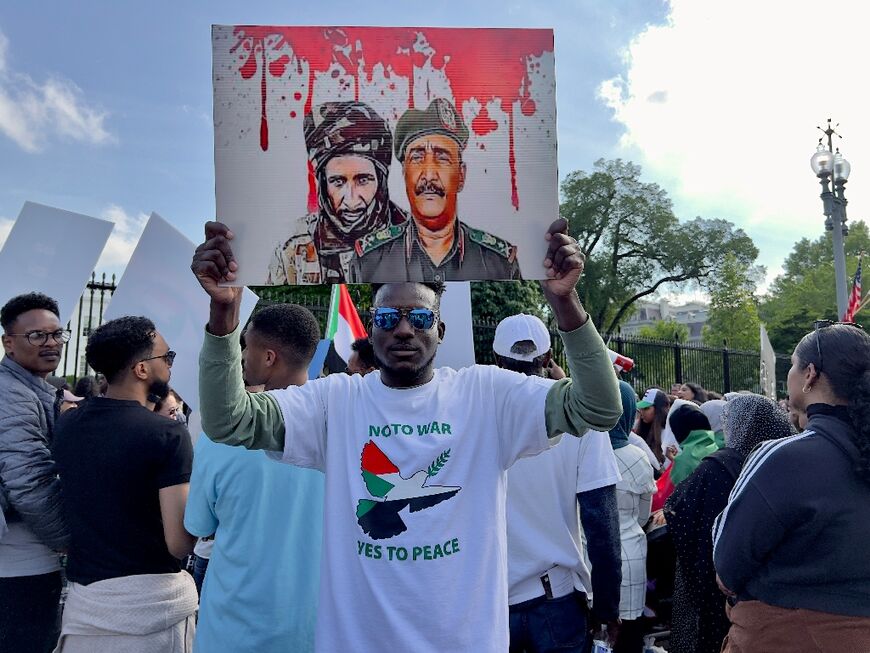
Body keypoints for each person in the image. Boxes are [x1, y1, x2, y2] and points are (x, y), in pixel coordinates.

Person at [191, 217, 622, 651]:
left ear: (440, 329)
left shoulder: (487, 395)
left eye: (419, 316)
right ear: (371, 328)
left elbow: (599, 408)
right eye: (386, 317)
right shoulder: (334, 403)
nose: (402, 329)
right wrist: (224, 314)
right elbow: (229, 420)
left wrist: (566, 304)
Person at [714, 323, 870, 650]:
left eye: (792, 365)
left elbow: (726, 566)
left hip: (783, 638)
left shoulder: (783, 458)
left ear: (810, 374)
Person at [52, 316, 197, 652]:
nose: (171, 367)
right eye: (167, 358)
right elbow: (179, 543)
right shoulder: (167, 434)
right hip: (151, 608)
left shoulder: (68, 424)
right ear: (142, 369)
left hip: (86, 607)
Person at [185, 304, 325, 652]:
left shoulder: (219, 438)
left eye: (245, 346)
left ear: (268, 357)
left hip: (233, 630)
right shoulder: (339, 424)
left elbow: (199, 524)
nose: (242, 356)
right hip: (317, 629)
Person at [496, 314, 622, 652]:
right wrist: (607, 607)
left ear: (495, 358)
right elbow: (602, 522)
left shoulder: (477, 409)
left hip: (489, 602)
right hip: (556, 600)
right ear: (549, 359)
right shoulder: (580, 415)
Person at [666, 394, 791, 653]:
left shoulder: (716, 467)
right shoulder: (785, 463)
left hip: (716, 582)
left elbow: (678, 511)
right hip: (772, 593)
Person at [349, 98, 521, 283]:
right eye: (417, 157)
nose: (429, 175)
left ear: (461, 176)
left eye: (442, 158)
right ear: (404, 174)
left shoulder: (499, 262)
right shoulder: (369, 261)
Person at [266, 101, 408, 284]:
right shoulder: (293, 247)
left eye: (363, 180)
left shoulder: (416, 240)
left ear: (380, 180)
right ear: (324, 184)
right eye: (338, 182)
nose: (351, 200)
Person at [0, 292, 70, 653]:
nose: (52, 344)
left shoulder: (32, 388)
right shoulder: (12, 393)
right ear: (8, 343)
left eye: (57, 334)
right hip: (18, 568)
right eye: (37, 336)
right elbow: (29, 481)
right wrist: (67, 541)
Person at [610, 382, 657, 653]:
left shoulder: (577, 452)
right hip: (630, 558)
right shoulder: (638, 457)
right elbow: (643, 516)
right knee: (628, 639)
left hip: (584, 560)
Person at [665, 402, 718, 487]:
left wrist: (677, 461)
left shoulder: (684, 459)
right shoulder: (718, 445)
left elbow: (674, 493)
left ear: (678, 431)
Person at [635, 388, 669, 468]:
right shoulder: (639, 428)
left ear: (659, 409)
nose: (641, 412)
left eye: (646, 408)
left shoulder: (668, 433)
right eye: (641, 408)